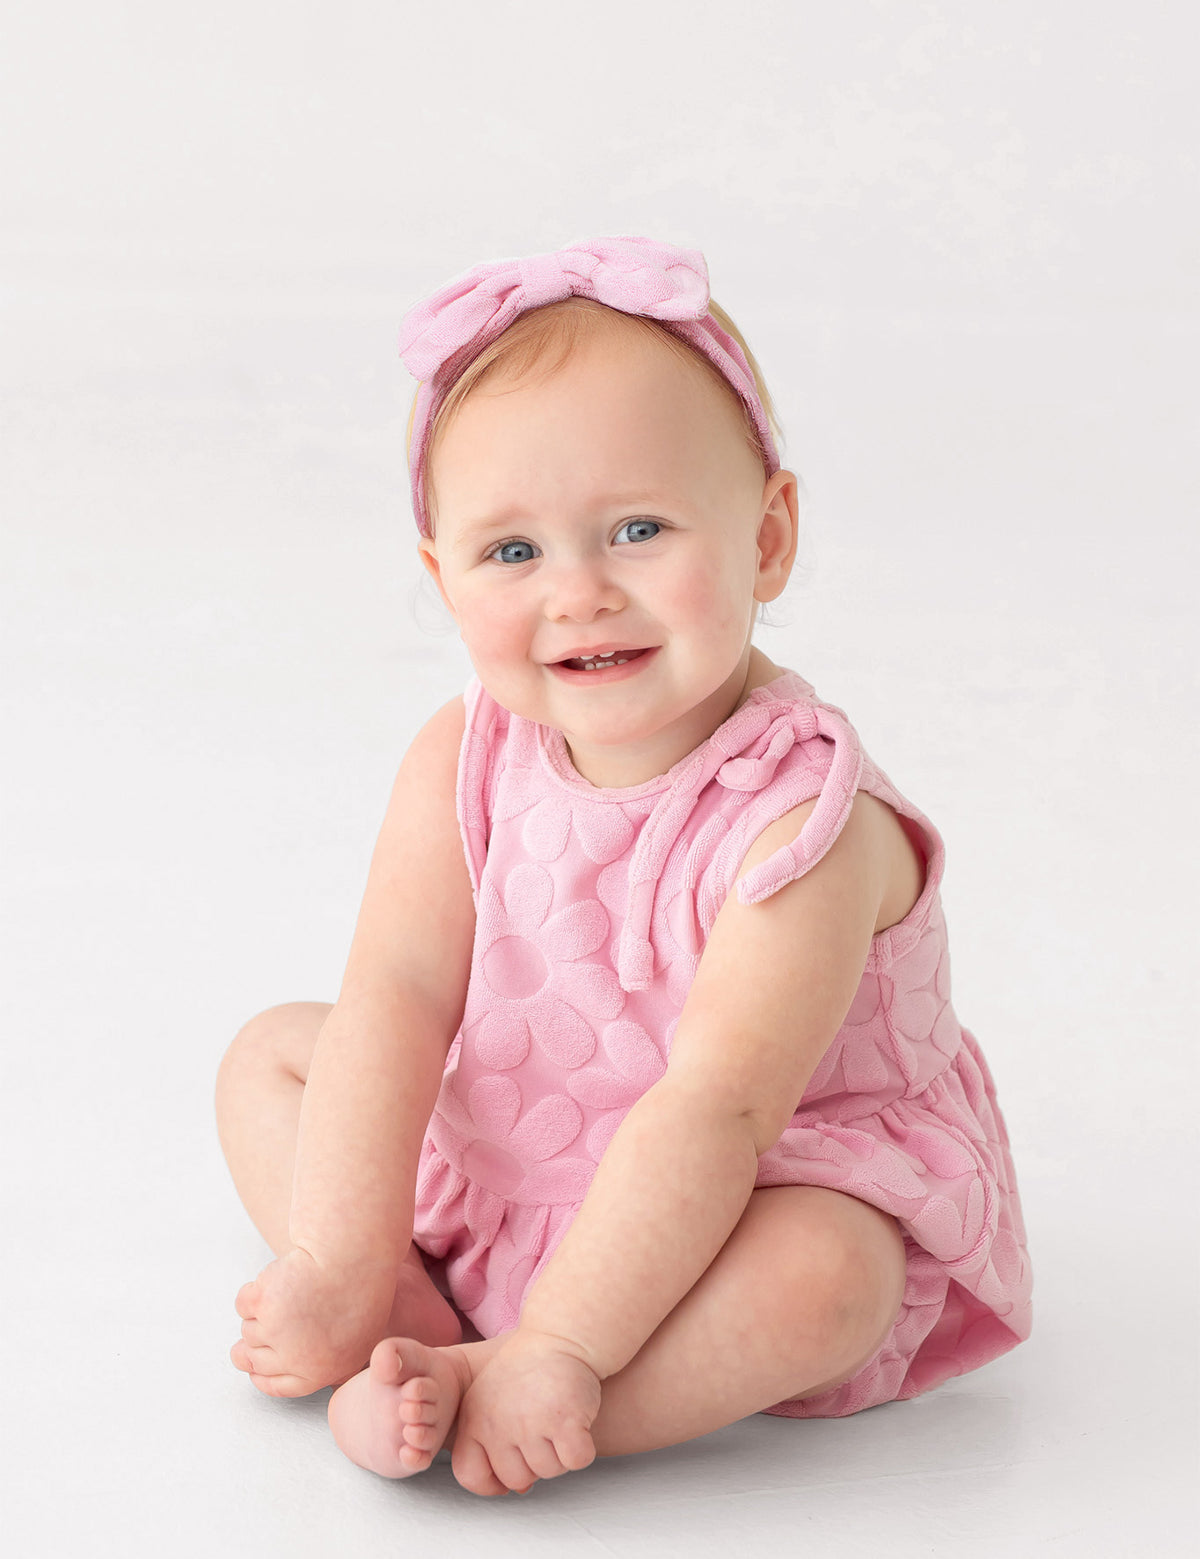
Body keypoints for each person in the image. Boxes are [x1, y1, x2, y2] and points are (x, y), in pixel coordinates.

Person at [214, 235, 1033, 1498]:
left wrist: (565, 1343)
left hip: (729, 1196)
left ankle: (538, 1393)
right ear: (441, 576)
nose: (578, 593)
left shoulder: (803, 826)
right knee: (273, 1053)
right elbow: (401, 988)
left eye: (638, 529)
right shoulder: (466, 748)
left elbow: (720, 1107)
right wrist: (331, 1243)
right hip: (527, 1137)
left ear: (767, 538)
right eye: (512, 553)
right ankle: (386, 1307)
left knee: (833, 1275)